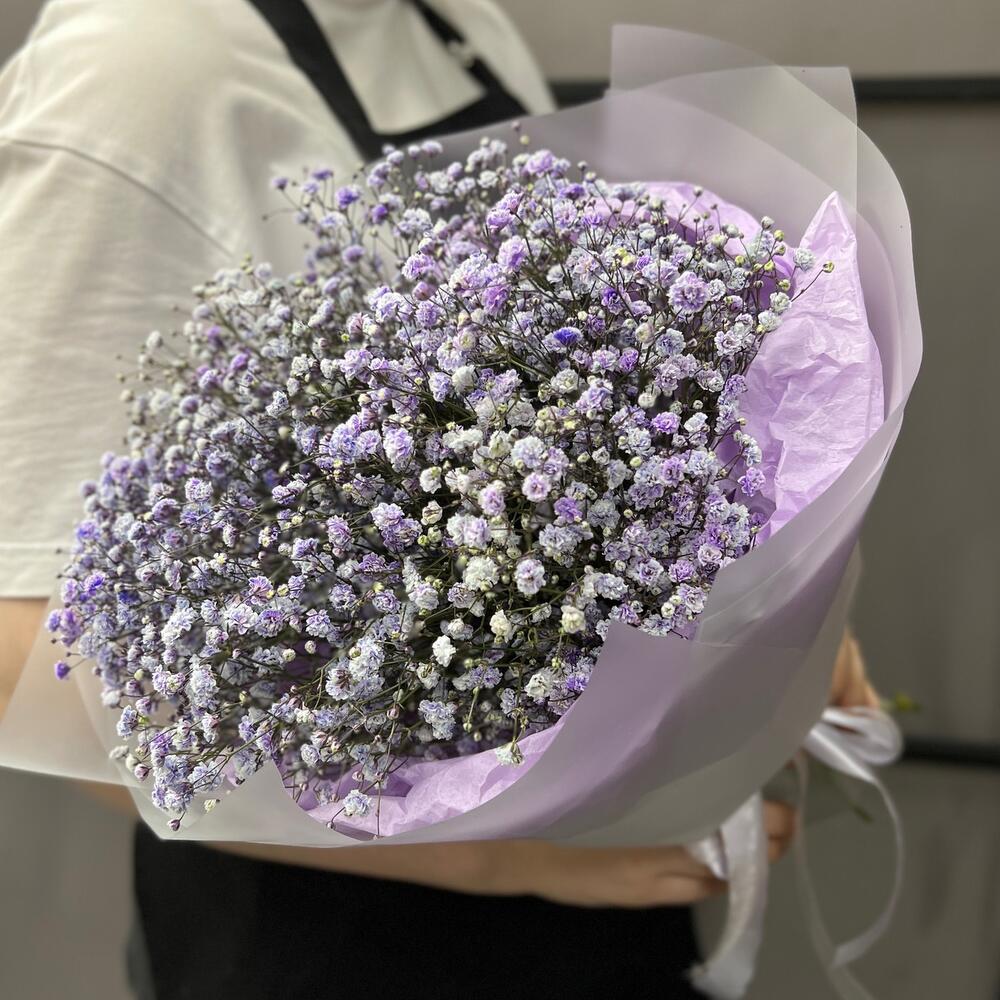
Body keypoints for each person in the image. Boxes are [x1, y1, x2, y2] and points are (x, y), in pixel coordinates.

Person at [0, 2, 877, 996]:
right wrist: (504, 854)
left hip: (592, 888)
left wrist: (762, 606)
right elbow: (24, 652)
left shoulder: (455, 21)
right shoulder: (138, 69)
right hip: (340, 942)